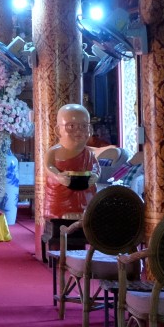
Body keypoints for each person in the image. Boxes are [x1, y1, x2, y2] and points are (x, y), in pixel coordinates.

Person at [45, 103, 100, 251]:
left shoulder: (88, 153)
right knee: (60, 200)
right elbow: (48, 167)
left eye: (84, 126)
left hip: (83, 193)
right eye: (71, 126)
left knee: (87, 200)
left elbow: (96, 167)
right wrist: (58, 176)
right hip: (61, 195)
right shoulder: (54, 151)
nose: (79, 131)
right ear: (58, 130)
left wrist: (95, 175)